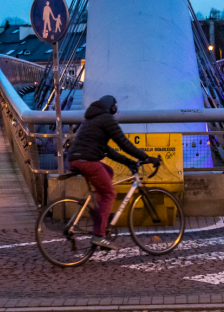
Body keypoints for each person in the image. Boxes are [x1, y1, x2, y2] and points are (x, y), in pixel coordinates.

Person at [66, 95, 160, 250]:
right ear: (113, 108)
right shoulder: (106, 119)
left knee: (107, 171)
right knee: (110, 193)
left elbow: (108, 151)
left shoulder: (91, 119)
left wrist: (128, 162)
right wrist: (147, 158)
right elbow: (124, 143)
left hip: (76, 159)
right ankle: (99, 236)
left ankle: (102, 215)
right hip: (88, 161)